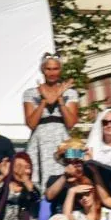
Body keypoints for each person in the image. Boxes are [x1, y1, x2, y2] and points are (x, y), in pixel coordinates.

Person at [24, 53, 80, 186]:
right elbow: (31, 124)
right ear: (43, 70)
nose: (52, 72)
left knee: (64, 177)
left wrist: (60, 99)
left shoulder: (70, 93)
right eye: (48, 69)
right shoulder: (30, 93)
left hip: (61, 140)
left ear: (60, 70)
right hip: (39, 140)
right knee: (37, 180)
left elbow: (71, 123)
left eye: (55, 69)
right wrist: (43, 100)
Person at [0, 153, 41, 220]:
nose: (21, 170)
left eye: (26, 167)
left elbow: (36, 197)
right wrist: (2, 175)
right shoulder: (3, 185)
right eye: (18, 166)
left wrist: (25, 179)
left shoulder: (31, 186)